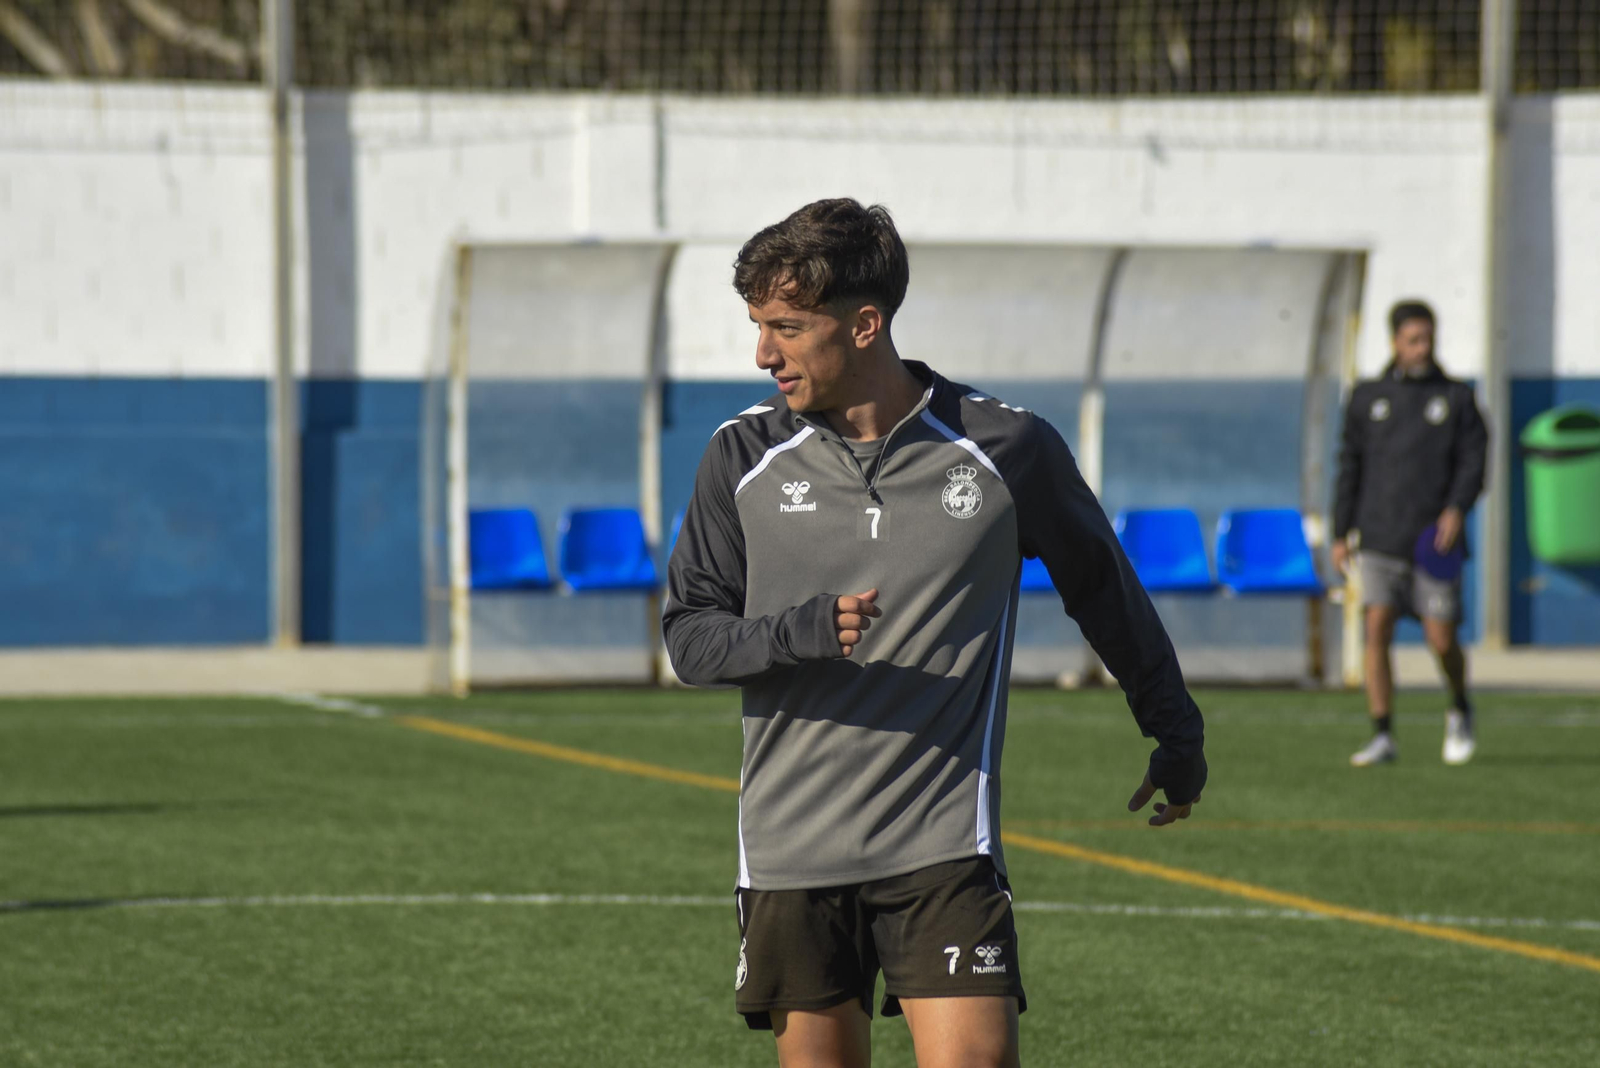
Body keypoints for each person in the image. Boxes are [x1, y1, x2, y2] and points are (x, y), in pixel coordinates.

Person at [662, 198, 1207, 1068]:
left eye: (788, 327)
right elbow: (691, 640)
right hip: (790, 851)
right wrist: (798, 631)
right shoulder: (741, 457)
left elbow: (1108, 595)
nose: (764, 353)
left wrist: (1177, 734)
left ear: (866, 323)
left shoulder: (1008, 448)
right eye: (759, 325)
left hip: (945, 847)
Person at [1332, 300, 1488, 768]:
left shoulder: (1456, 398)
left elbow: (1475, 461)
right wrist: (1342, 531)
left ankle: (1459, 705)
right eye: (1413, 339)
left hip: (1433, 544)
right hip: (1379, 537)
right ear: (1395, 342)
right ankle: (1383, 734)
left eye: (1428, 339)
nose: (1422, 348)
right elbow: (1349, 467)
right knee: (1376, 626)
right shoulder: (1367, 397)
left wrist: (1457, 510)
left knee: (1442, 639)